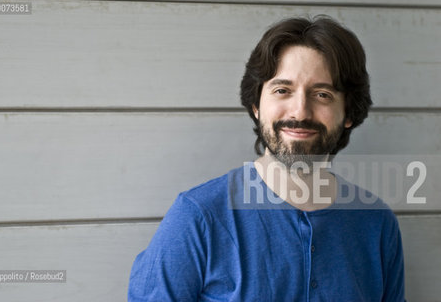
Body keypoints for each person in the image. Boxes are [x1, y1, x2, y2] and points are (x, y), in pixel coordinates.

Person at [128, 16, 406, 301]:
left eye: (322, 94)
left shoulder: (377, 224)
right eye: (282, 90)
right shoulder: (198, 217)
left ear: (348, 113)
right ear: (256, 105)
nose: (300, 112)